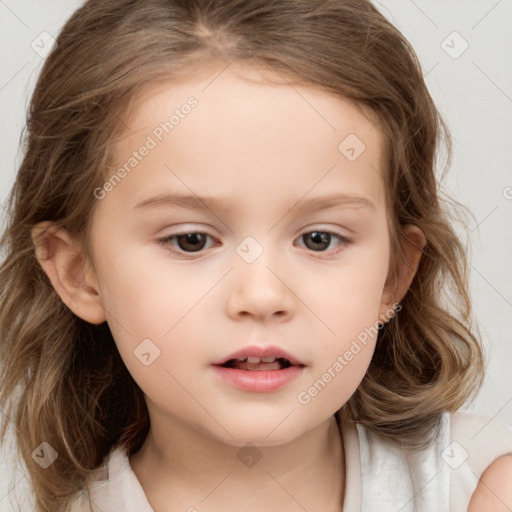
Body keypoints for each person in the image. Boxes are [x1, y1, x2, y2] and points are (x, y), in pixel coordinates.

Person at [1, 1, 511, 511]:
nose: (262, 296)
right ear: (78, 273)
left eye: (319, 239)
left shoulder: (482, 487)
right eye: (191, 240)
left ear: (394, 276)